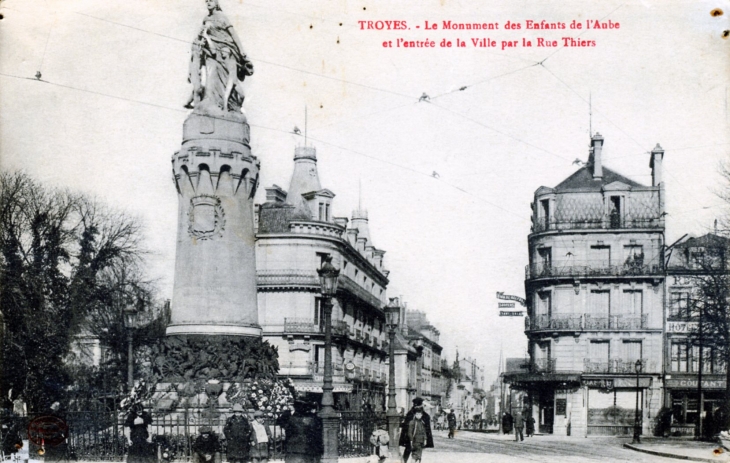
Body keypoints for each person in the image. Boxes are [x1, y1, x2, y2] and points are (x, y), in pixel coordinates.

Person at [188, 0, 254, 114]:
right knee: (211, 75)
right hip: (211, 51)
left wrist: (242, 50)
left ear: (216, 3)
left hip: (226, 50)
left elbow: (233, 34)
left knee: (226, 77)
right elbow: (202, 35)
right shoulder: (206, 19)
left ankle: (227, 103)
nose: (208, 3)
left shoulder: (222, 17)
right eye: (206, 1)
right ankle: (210, 101)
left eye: (211, 0)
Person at [399, 398, 433, 463]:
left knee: (409, 450)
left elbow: (406, 426)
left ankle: (404, 461)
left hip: (411, 437)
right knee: (416, 452)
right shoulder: (424, 415)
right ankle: (405, 460)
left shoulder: (410, 413)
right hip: (415, 438)